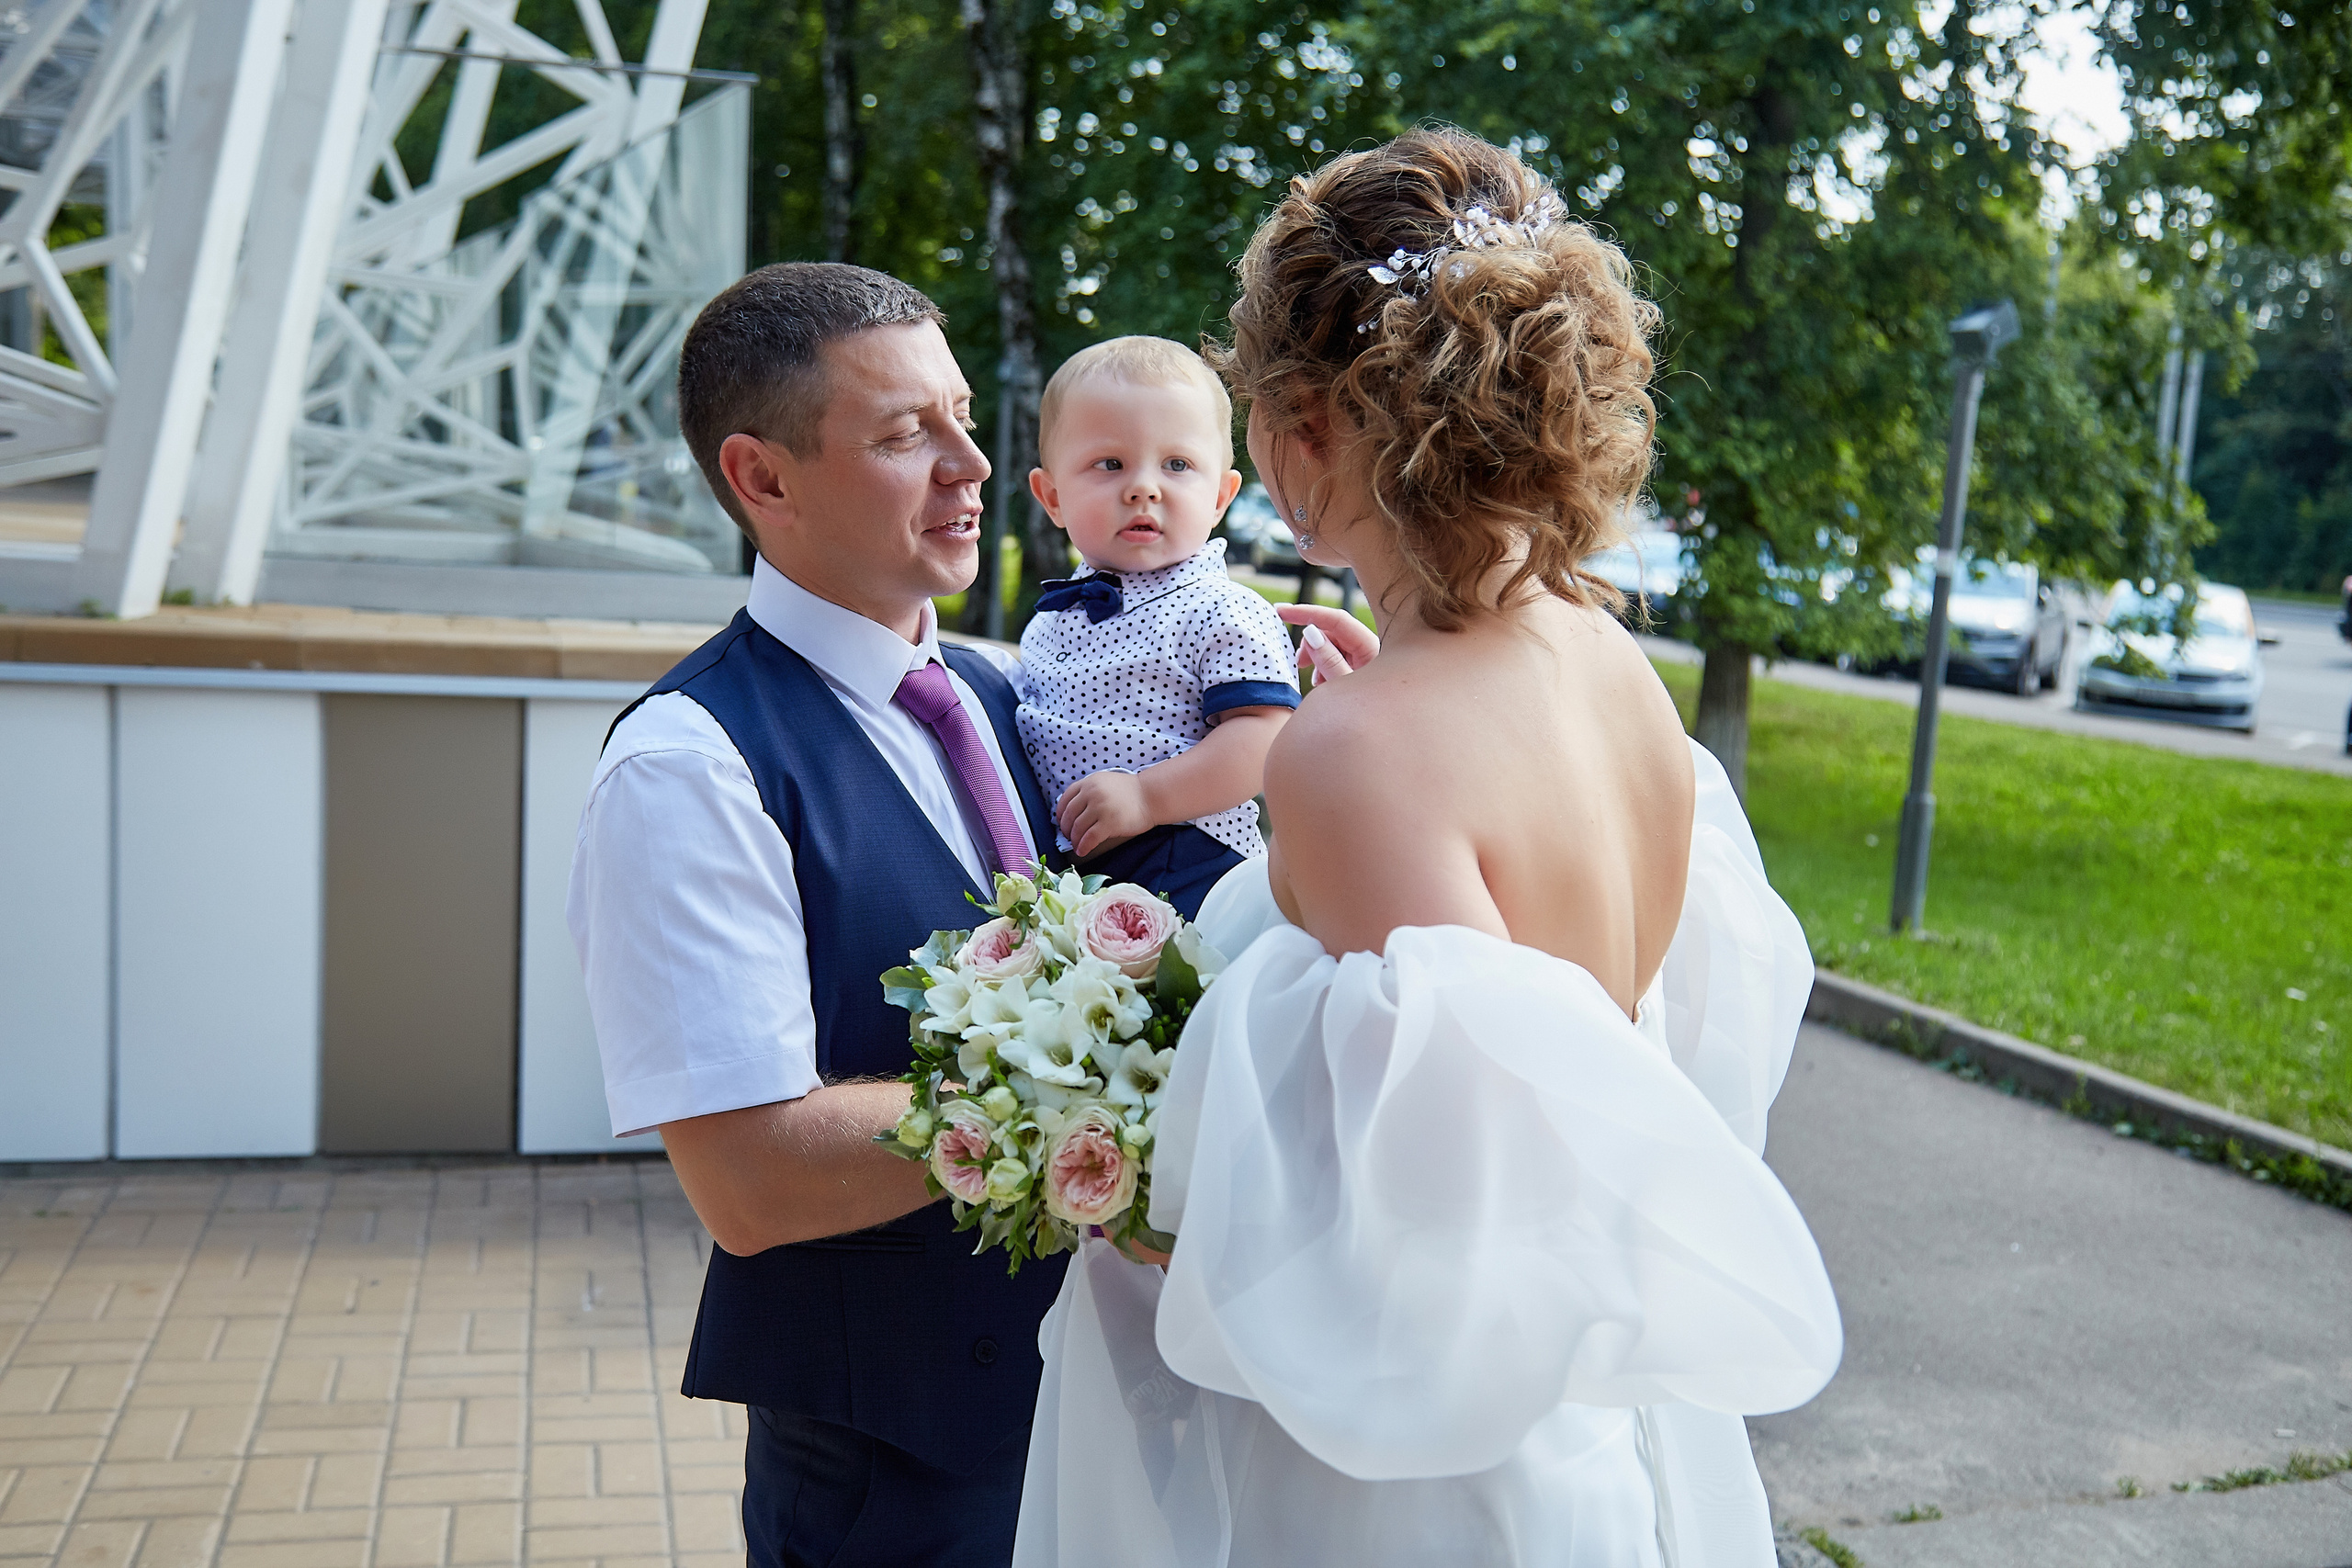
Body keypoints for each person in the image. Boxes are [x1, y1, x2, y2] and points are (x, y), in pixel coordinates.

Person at [1012, 129, 1843, 1567]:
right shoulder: (1612, 668)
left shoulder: (1354, 751)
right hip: (1593, 1442)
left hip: (1416, 1492)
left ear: (1298, 431)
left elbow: (1403, 1243)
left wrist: (1126, 1186)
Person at [568, 263, 1069, 1568]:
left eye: (962, 416)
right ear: (764, 478)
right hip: (898, 1484)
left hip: (1082, 1423)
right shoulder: (691, 761)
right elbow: (753, 1171)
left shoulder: (1003, 692)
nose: (972, 464)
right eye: (908, 434)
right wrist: (1099, 1096)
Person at [1018, 335, 1300, 917]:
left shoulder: (1221, 608)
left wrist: (1150, 795)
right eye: (1110, 464)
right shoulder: (1054, 616)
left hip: (1189, 854)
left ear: (1221, 496)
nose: (1143, 486)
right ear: (1052, 498)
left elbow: (1264, 739)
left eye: (1177, 464)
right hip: (1077, 873)